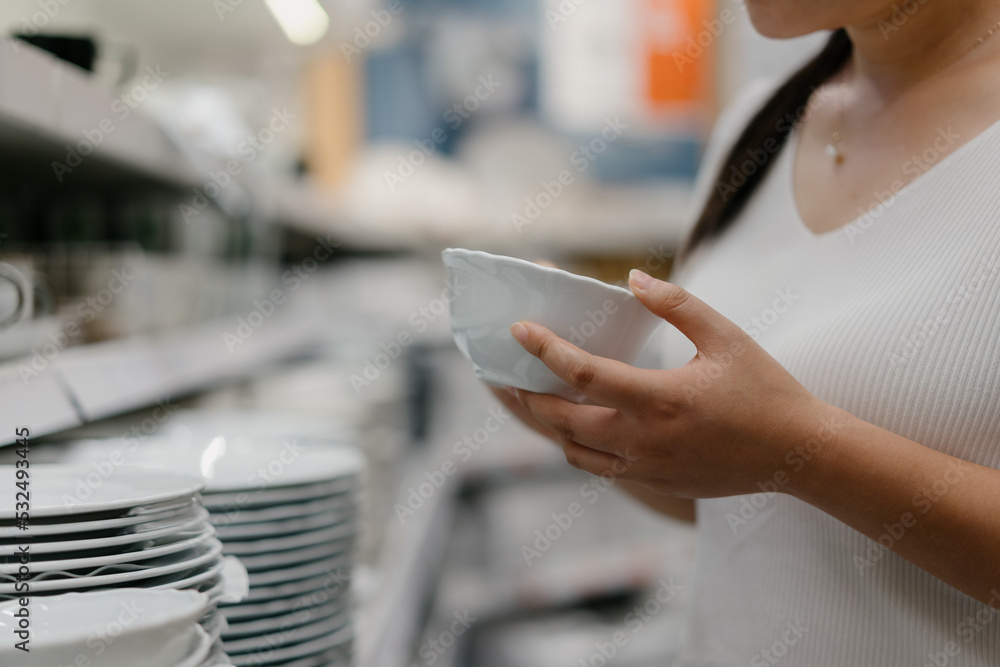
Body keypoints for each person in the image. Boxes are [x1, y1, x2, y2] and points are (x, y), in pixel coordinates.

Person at [488, 1, 1000, 663]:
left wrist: (801, 451)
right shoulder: (755, 126)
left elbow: (777, 457)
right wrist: (576, 409)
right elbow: (737, 506)